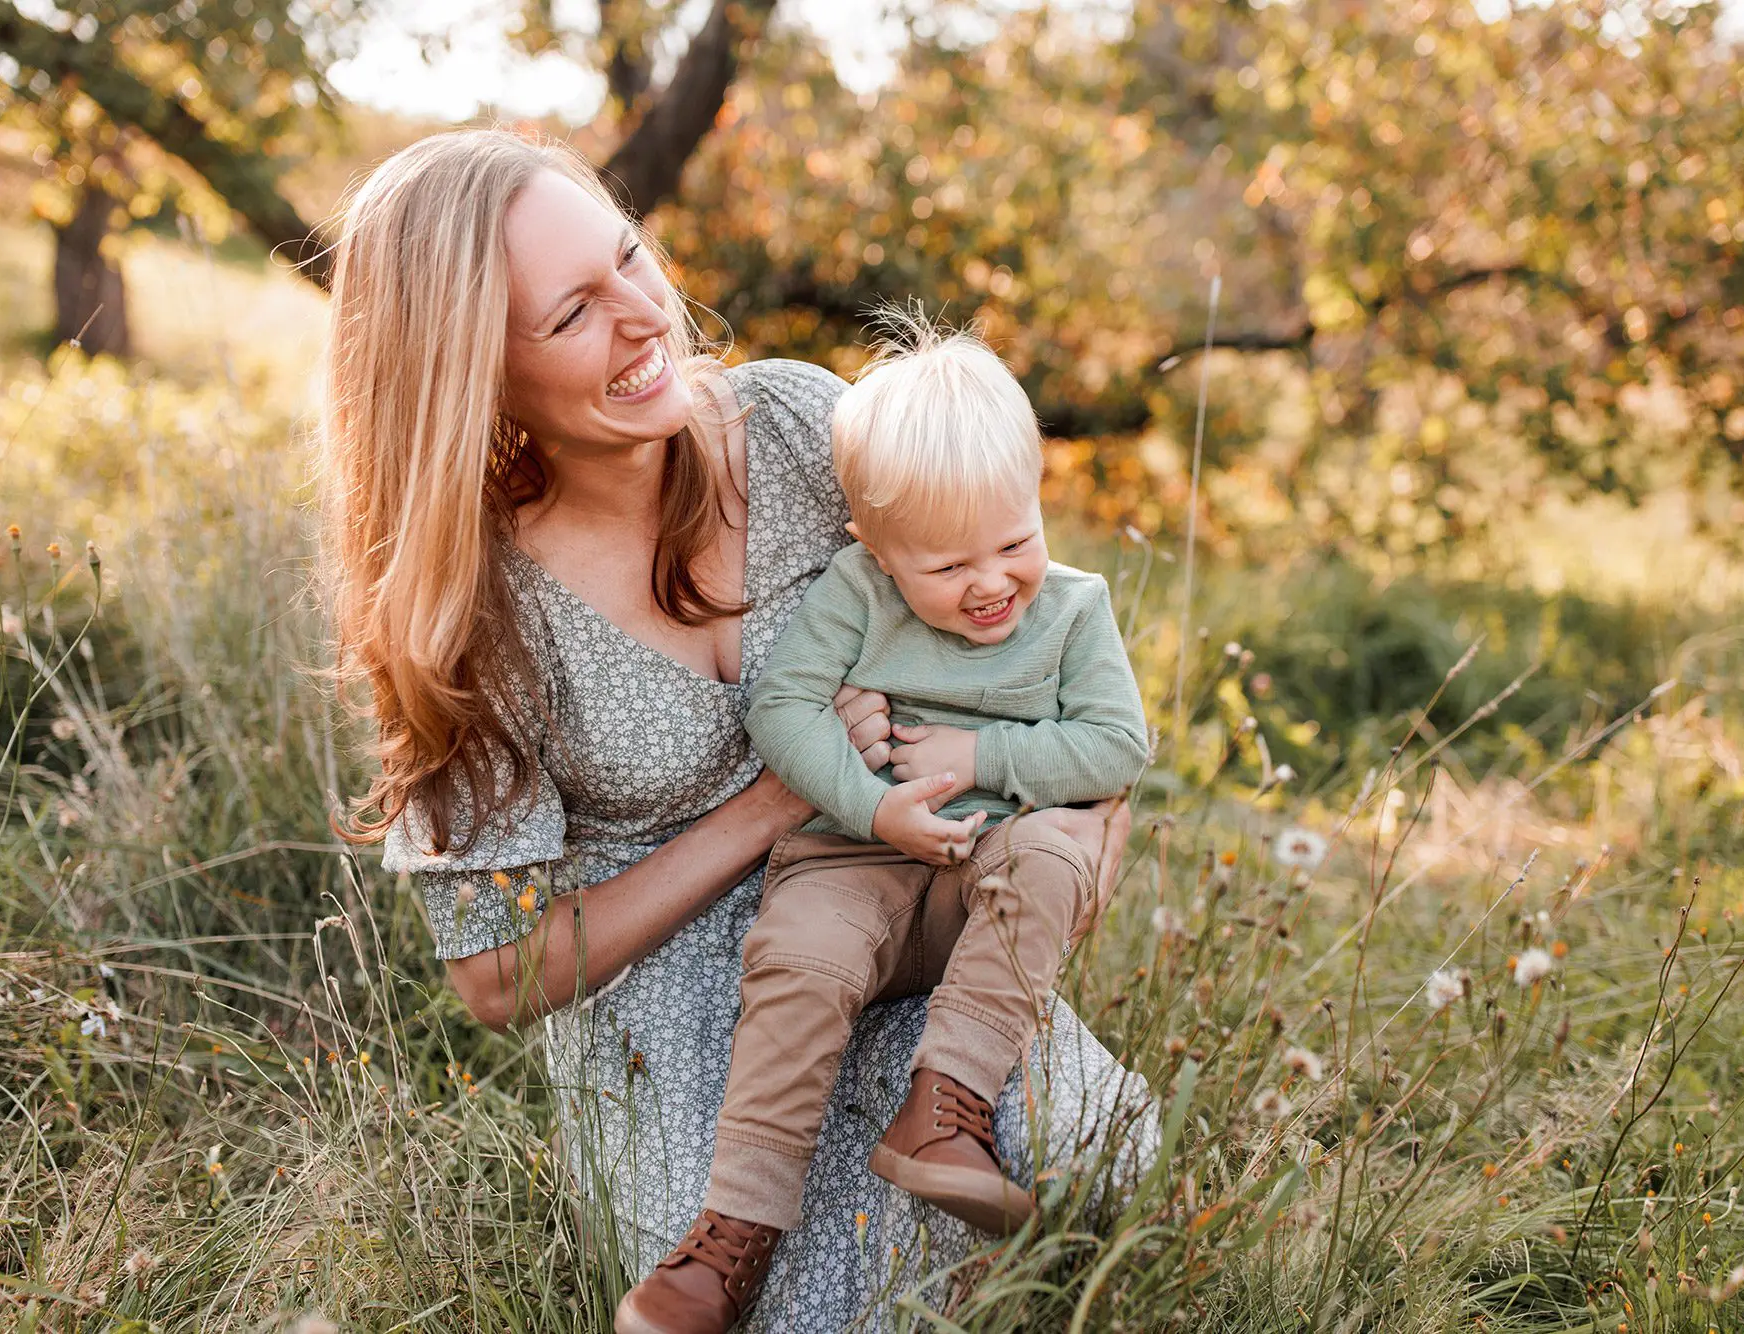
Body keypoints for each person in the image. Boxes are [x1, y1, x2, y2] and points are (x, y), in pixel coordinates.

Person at [317, 126, 1157, 1331]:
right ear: (474, 376)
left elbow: (1023, 606)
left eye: (630, 258)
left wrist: (1071, 833)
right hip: (674, 990)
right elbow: (497, 977)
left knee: (1078, 1148)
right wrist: (769, 804)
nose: (644, 314)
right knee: (802, 1282)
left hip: (899, 884)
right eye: (571, 315)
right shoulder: (470, 610)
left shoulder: (798, 427)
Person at [615, 322, 1151, 1334]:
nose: (991, 582)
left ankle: (943, 1106)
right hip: (852, 858)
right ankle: (733, 1231)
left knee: (1048, 848)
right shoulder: (855, 595)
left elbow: (1118, 744)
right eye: (948, 564)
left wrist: (979, 761)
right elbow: (782, 710)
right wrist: (872, 806)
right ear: (874, 545)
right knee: (799, 956)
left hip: (973, 884)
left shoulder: (1075, 611)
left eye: (1013, 540)